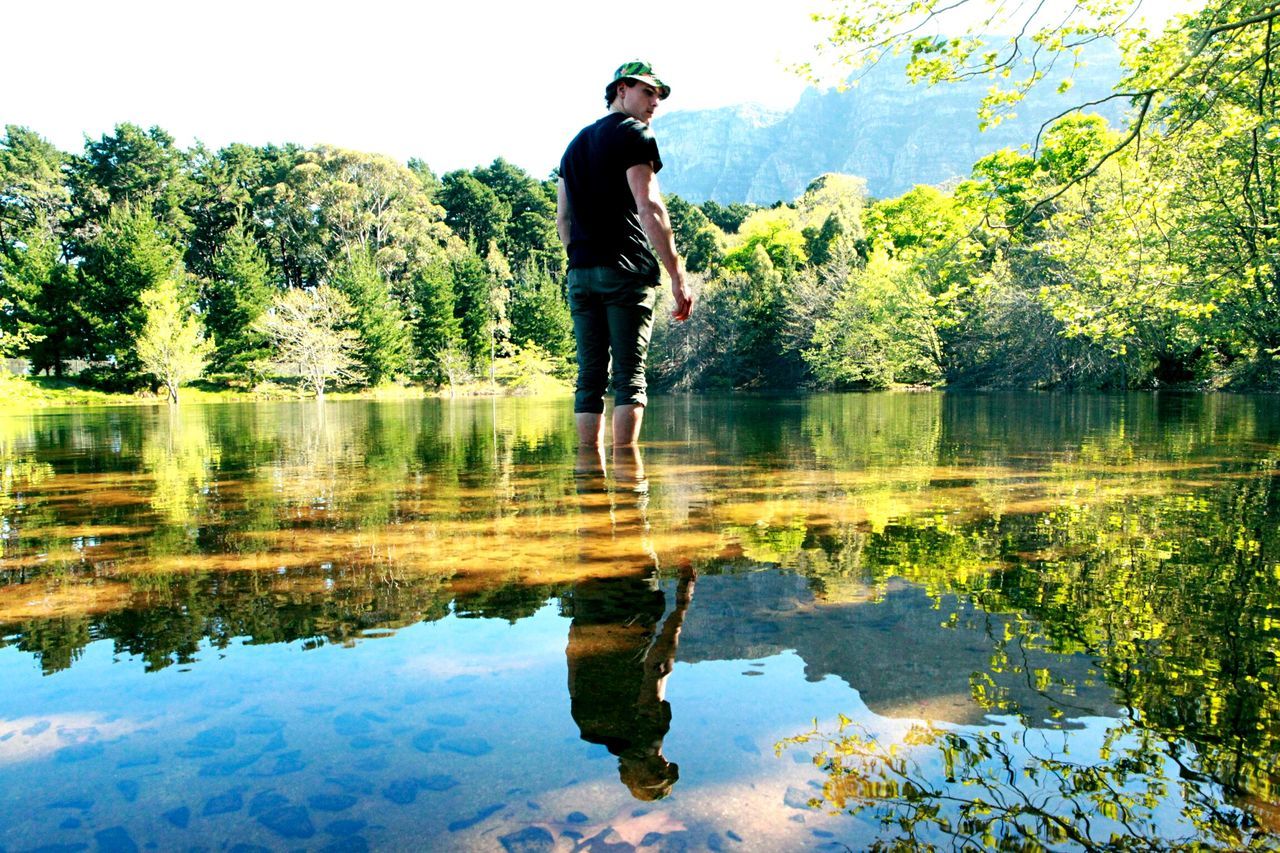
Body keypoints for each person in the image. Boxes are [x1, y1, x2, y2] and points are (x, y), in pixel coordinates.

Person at [557, 60, 694, 448]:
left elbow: (563, 219)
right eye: (647, 92)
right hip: (626, 271)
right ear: (622, 90)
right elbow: (649, 206)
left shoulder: (575, 145)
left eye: (658, 96)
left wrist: (582, 259)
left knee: (590, 378)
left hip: (580, 275)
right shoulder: (635, 134)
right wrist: (677, 275)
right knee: (629, 379)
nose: (655, 103)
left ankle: (591, 486)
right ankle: (630, 489)